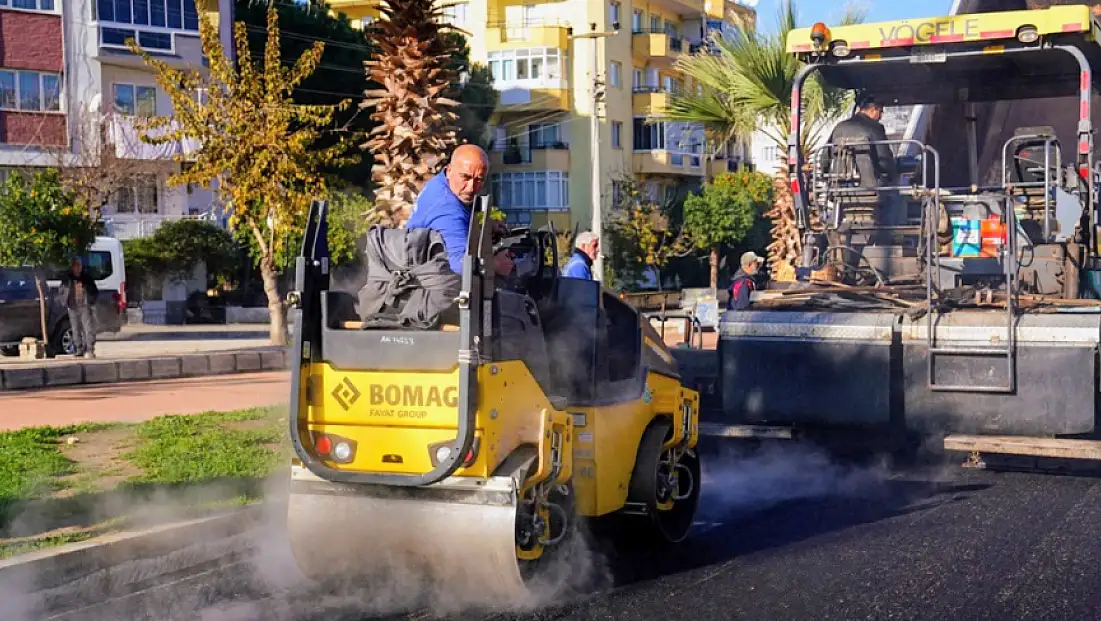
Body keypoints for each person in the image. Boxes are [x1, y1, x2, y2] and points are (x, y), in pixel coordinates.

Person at [406, 144, 511, 275]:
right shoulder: (448, 210)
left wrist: (487, 225)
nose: (471, 187)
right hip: (432, 285)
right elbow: (461, 266)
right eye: (465, 177)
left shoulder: (441, 183)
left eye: (479, 180)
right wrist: (496, 264)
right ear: (449, 170)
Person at [60, 257, 98, 358]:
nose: (77, 268)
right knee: (75, 329)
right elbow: (62, 290)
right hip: (72, 307)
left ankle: (89, 349)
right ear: (72, 267)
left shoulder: (87, 278)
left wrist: (91, 302)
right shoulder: (68, 278)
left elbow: (94, 291)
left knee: (88, 329)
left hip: (84, 306)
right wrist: (65, 301)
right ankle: (78, 349)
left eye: (79, 265)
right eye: (75, 265)